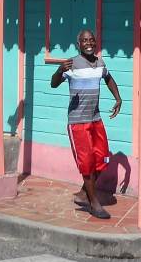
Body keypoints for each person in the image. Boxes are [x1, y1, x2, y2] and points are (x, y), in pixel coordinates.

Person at [50, 29, 122, 220]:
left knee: (103, 159)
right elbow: (53, 84)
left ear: (95, 42)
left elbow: (108, 78)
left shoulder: (100, 63)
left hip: (95, 119)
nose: (88, 43)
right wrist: (59, 70)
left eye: (91, 40)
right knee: (87, 163)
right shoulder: (71, 64)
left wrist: (118, 98)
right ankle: (93, 202)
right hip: (78, 122)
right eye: (84, 40)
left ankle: (83, 193)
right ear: (79, 44)